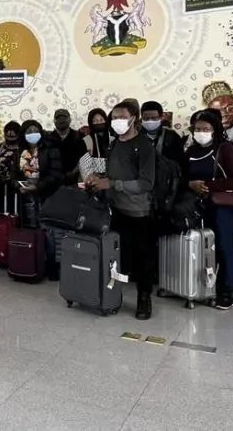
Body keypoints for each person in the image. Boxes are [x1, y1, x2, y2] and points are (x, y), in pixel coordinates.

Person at [86, 101, 156, 320]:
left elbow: (146, 183)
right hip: (115, 209)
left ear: (134, 118)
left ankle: (144, 298)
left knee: (143, 258)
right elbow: (113, 174)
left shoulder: (144, 145)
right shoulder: (114, 144)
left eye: (122, 117)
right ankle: (113, 295)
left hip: (139, 211)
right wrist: (98, 179)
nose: (117, 121)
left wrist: (112, 184)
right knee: (117, 256)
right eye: (114, 117)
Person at [184, 109, 233, 309]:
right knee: (205, 247)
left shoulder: (225, 148)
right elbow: (184, 176)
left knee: (224, 245)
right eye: (197, 129)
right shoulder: (191, 152)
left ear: (215, 129)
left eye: (206, 129)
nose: (201, 132)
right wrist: (191, 184)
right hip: (199, 205)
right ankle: (207, 287)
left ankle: (230, 290)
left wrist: (208, 185)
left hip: (222, 206)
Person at [18, 120, 64, 278]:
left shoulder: (51, 149)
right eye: (28, 131)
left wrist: (38, 186)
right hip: (26, 197)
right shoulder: (21, 151)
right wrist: (18, 185)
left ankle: (51, 267)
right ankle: (32, 265)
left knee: (48, 232)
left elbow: (56, 174)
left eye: (35, 130)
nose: (32, 134)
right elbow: (14, 173)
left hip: (46, 195)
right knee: (31, 230)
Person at [141, 100, 187, 170]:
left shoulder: (172, 136)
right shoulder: (136, 136)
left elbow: (180, 163)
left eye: (154, 118)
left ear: (161, 117)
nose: (150, 121)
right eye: (146, 119)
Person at [0, 121, 22, 213]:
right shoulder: (0, 147)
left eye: (13, 136)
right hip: (0, 184)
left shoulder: (22, 149)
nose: (10, 138)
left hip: (17, 185)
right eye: (7, 136)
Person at [51, 109, 87, 186]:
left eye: (64, 118)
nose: (61, 121)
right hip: (52, 181)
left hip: (74, 181)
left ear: (70, 120)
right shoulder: (48, 138)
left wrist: (73, 172)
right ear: (54, 121)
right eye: (59, 118)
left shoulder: (78, 137)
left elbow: (84, 159)